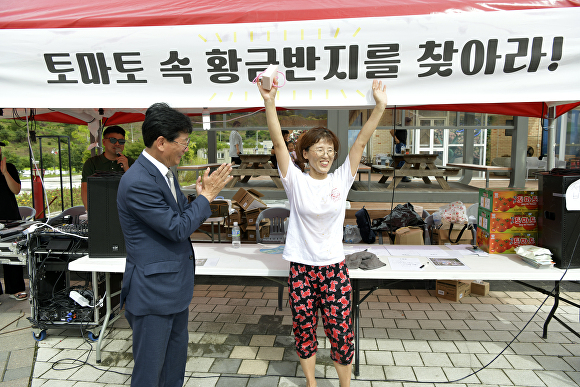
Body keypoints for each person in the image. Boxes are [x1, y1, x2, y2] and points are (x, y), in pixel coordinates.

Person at [258, 79, 387, 387]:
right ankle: (312, 384)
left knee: (341, 332)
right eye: (319, 150)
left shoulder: (341, 179)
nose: (326, 155)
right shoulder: (295, 180)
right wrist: (269, 102)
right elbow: (278, 143)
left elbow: (359, 144)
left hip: (334, 269)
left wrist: (379, 106)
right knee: (303, 331)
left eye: (330, 150)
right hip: (301, 269)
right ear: (305, 154)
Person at [116, 102, 232, 387]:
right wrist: (206, 199)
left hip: (174, 288)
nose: (186, 148)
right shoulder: (138, 181)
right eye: (183, 142)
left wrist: (199, 197)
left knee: (173, 367)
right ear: (160, 142)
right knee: (150, 371)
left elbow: (179, 215)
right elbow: (177, 228)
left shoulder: (163, 173)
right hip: (154, 292)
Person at [81, 126, 135, 210]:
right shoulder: (92, 163)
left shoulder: (131, 162)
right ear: (104, 142)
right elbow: (85, 189)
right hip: (100, 209)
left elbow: (136, 188)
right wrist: (91, 213)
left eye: (121, 141)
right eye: (113, 140)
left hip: (125, 211)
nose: (117, 144)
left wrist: (126, 167)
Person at [0, 141, 27, 301]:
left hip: (10, 216)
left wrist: (4, 172)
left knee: (12, 253)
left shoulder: (9, 167)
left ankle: (15, 288)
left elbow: (16, 190)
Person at [390, 117, 411, 182]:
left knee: (402, 160)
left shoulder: (403, 127)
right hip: (400, 144)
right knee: (401, 160)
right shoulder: (399, 126)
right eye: (408, 122)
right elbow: (391, 131)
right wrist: (396, 139)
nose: (409, 124)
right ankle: (401, 176)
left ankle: (400, 176)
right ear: (406, 122)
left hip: (403, 144)